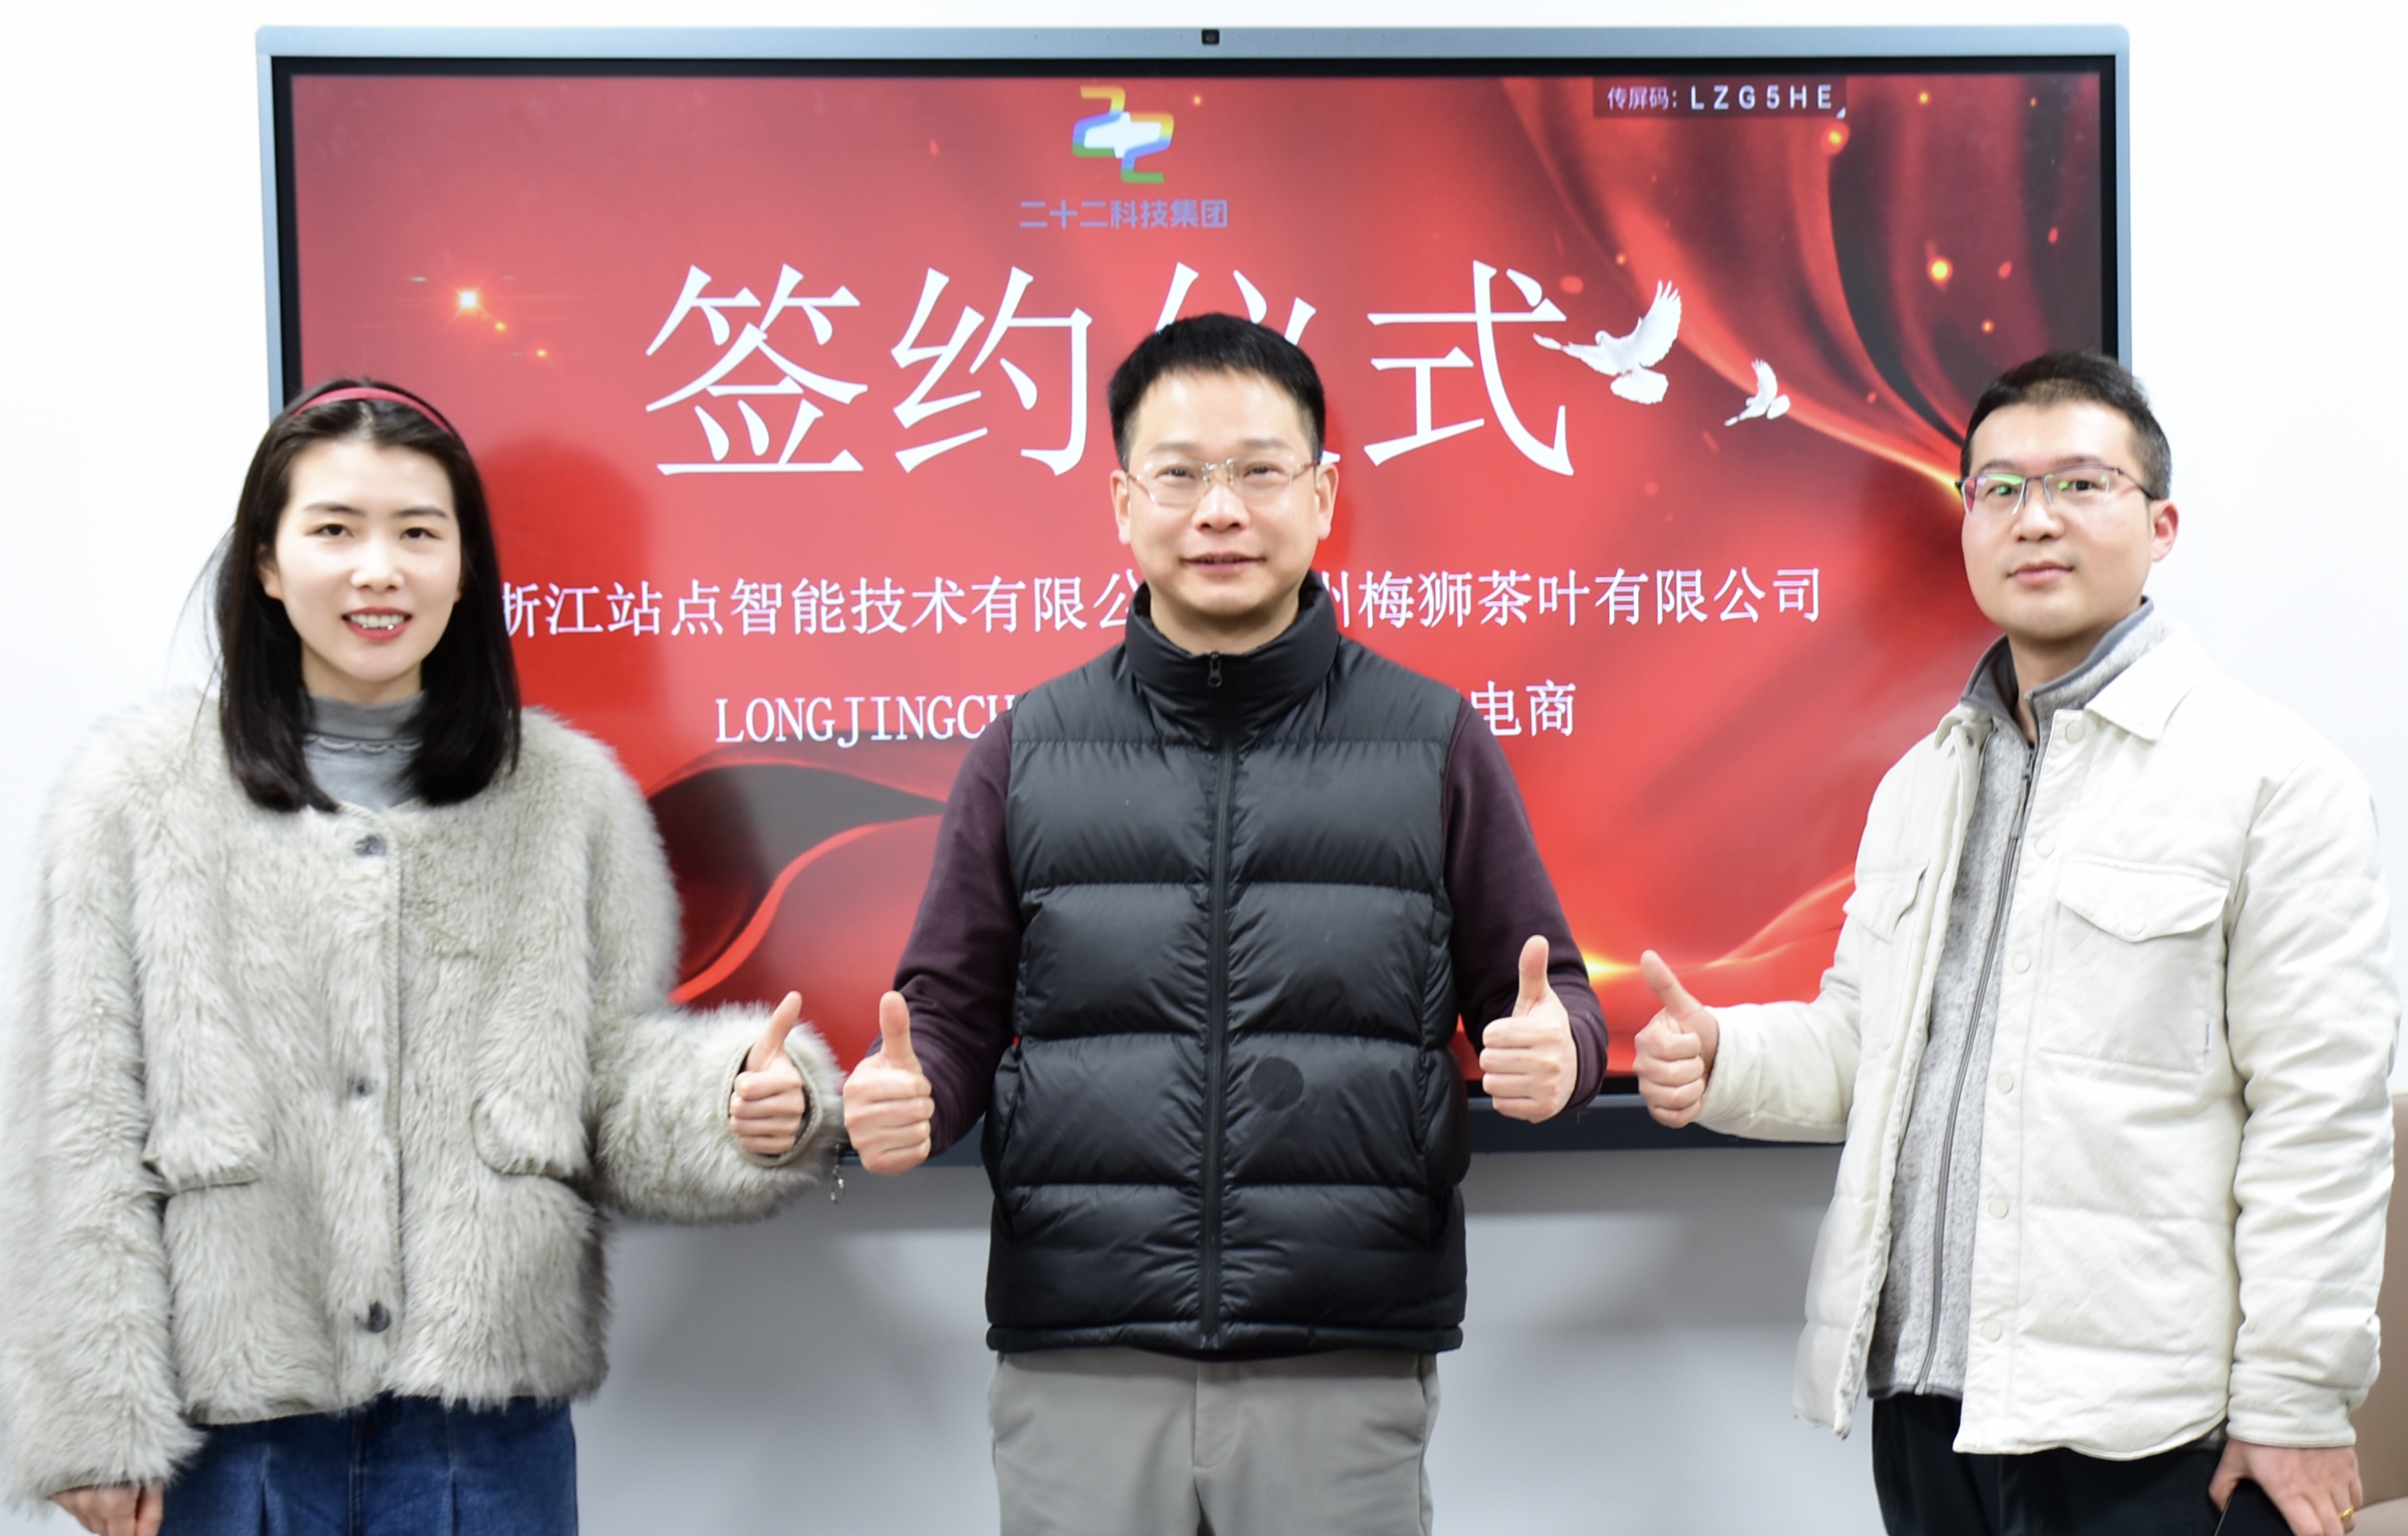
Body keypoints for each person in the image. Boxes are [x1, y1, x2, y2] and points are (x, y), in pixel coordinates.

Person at [0, 380, 844, 1536]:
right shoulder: (137, 796)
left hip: (482, 1434)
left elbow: (608, 1076)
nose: (377, 571)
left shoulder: (566, 797)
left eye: (416, 533)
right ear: (266, 561)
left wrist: (739, 1106)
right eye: (334, 530)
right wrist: (92, 1416)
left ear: (463, 567)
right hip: (228, 1436)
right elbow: (75, 1118)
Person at [840, 314, 1610, 1535]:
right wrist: (913, 1096)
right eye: (1180, 474)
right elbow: (948, 1016)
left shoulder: (1433, 740)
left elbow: (1551, 995)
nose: (1219, 511)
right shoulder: (1026, 749)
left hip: (1339, 1346)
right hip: (1082, 1343)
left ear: (1321, 495)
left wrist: (1562, 1052)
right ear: (1121, 502)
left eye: (1258, 470)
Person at [1634, 351, 2396, 1536]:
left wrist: (2295, 1403)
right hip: (1928, 1413)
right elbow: (1868, 1046)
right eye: (1997, 489)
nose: (2033, 519)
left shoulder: (2272, 781)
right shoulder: (1920, 784)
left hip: (2151, 1435)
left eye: (2079, 484)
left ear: (2160, 526)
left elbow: (2319, 1120)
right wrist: (1720, 1056)